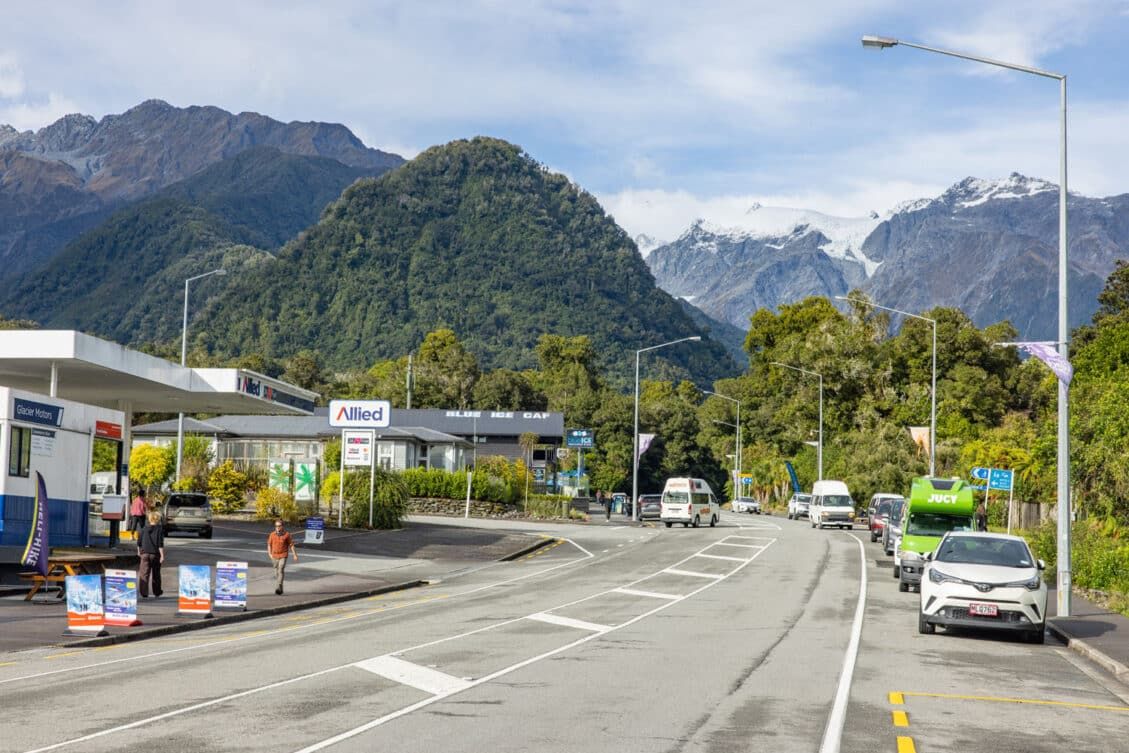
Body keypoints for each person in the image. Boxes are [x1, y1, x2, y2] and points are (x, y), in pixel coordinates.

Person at [137, 509, 164, 598]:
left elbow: (139, 542)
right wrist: (162, 556)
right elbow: (160, 544)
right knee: (156, 574)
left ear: (149, 519)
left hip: (144, 554)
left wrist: (138, 552)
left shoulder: (143, 529)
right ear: (157, 519)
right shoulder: (159, 530)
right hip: (155, 554)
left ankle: (144, 593)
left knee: (144, 574)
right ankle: (157, 592)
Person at [267, 519, 298, 595]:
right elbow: (269, 545)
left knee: (280, 569)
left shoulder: (287, 534)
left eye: (279, 526)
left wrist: (294, 555)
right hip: (274, 555)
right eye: (276, 526)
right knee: (276, 572)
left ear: (282, 526)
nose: (277, 527)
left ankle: (279, 586)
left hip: (283, 555)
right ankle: (280, 588)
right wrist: (270, 554)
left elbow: (291, 545)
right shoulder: (272, 534)